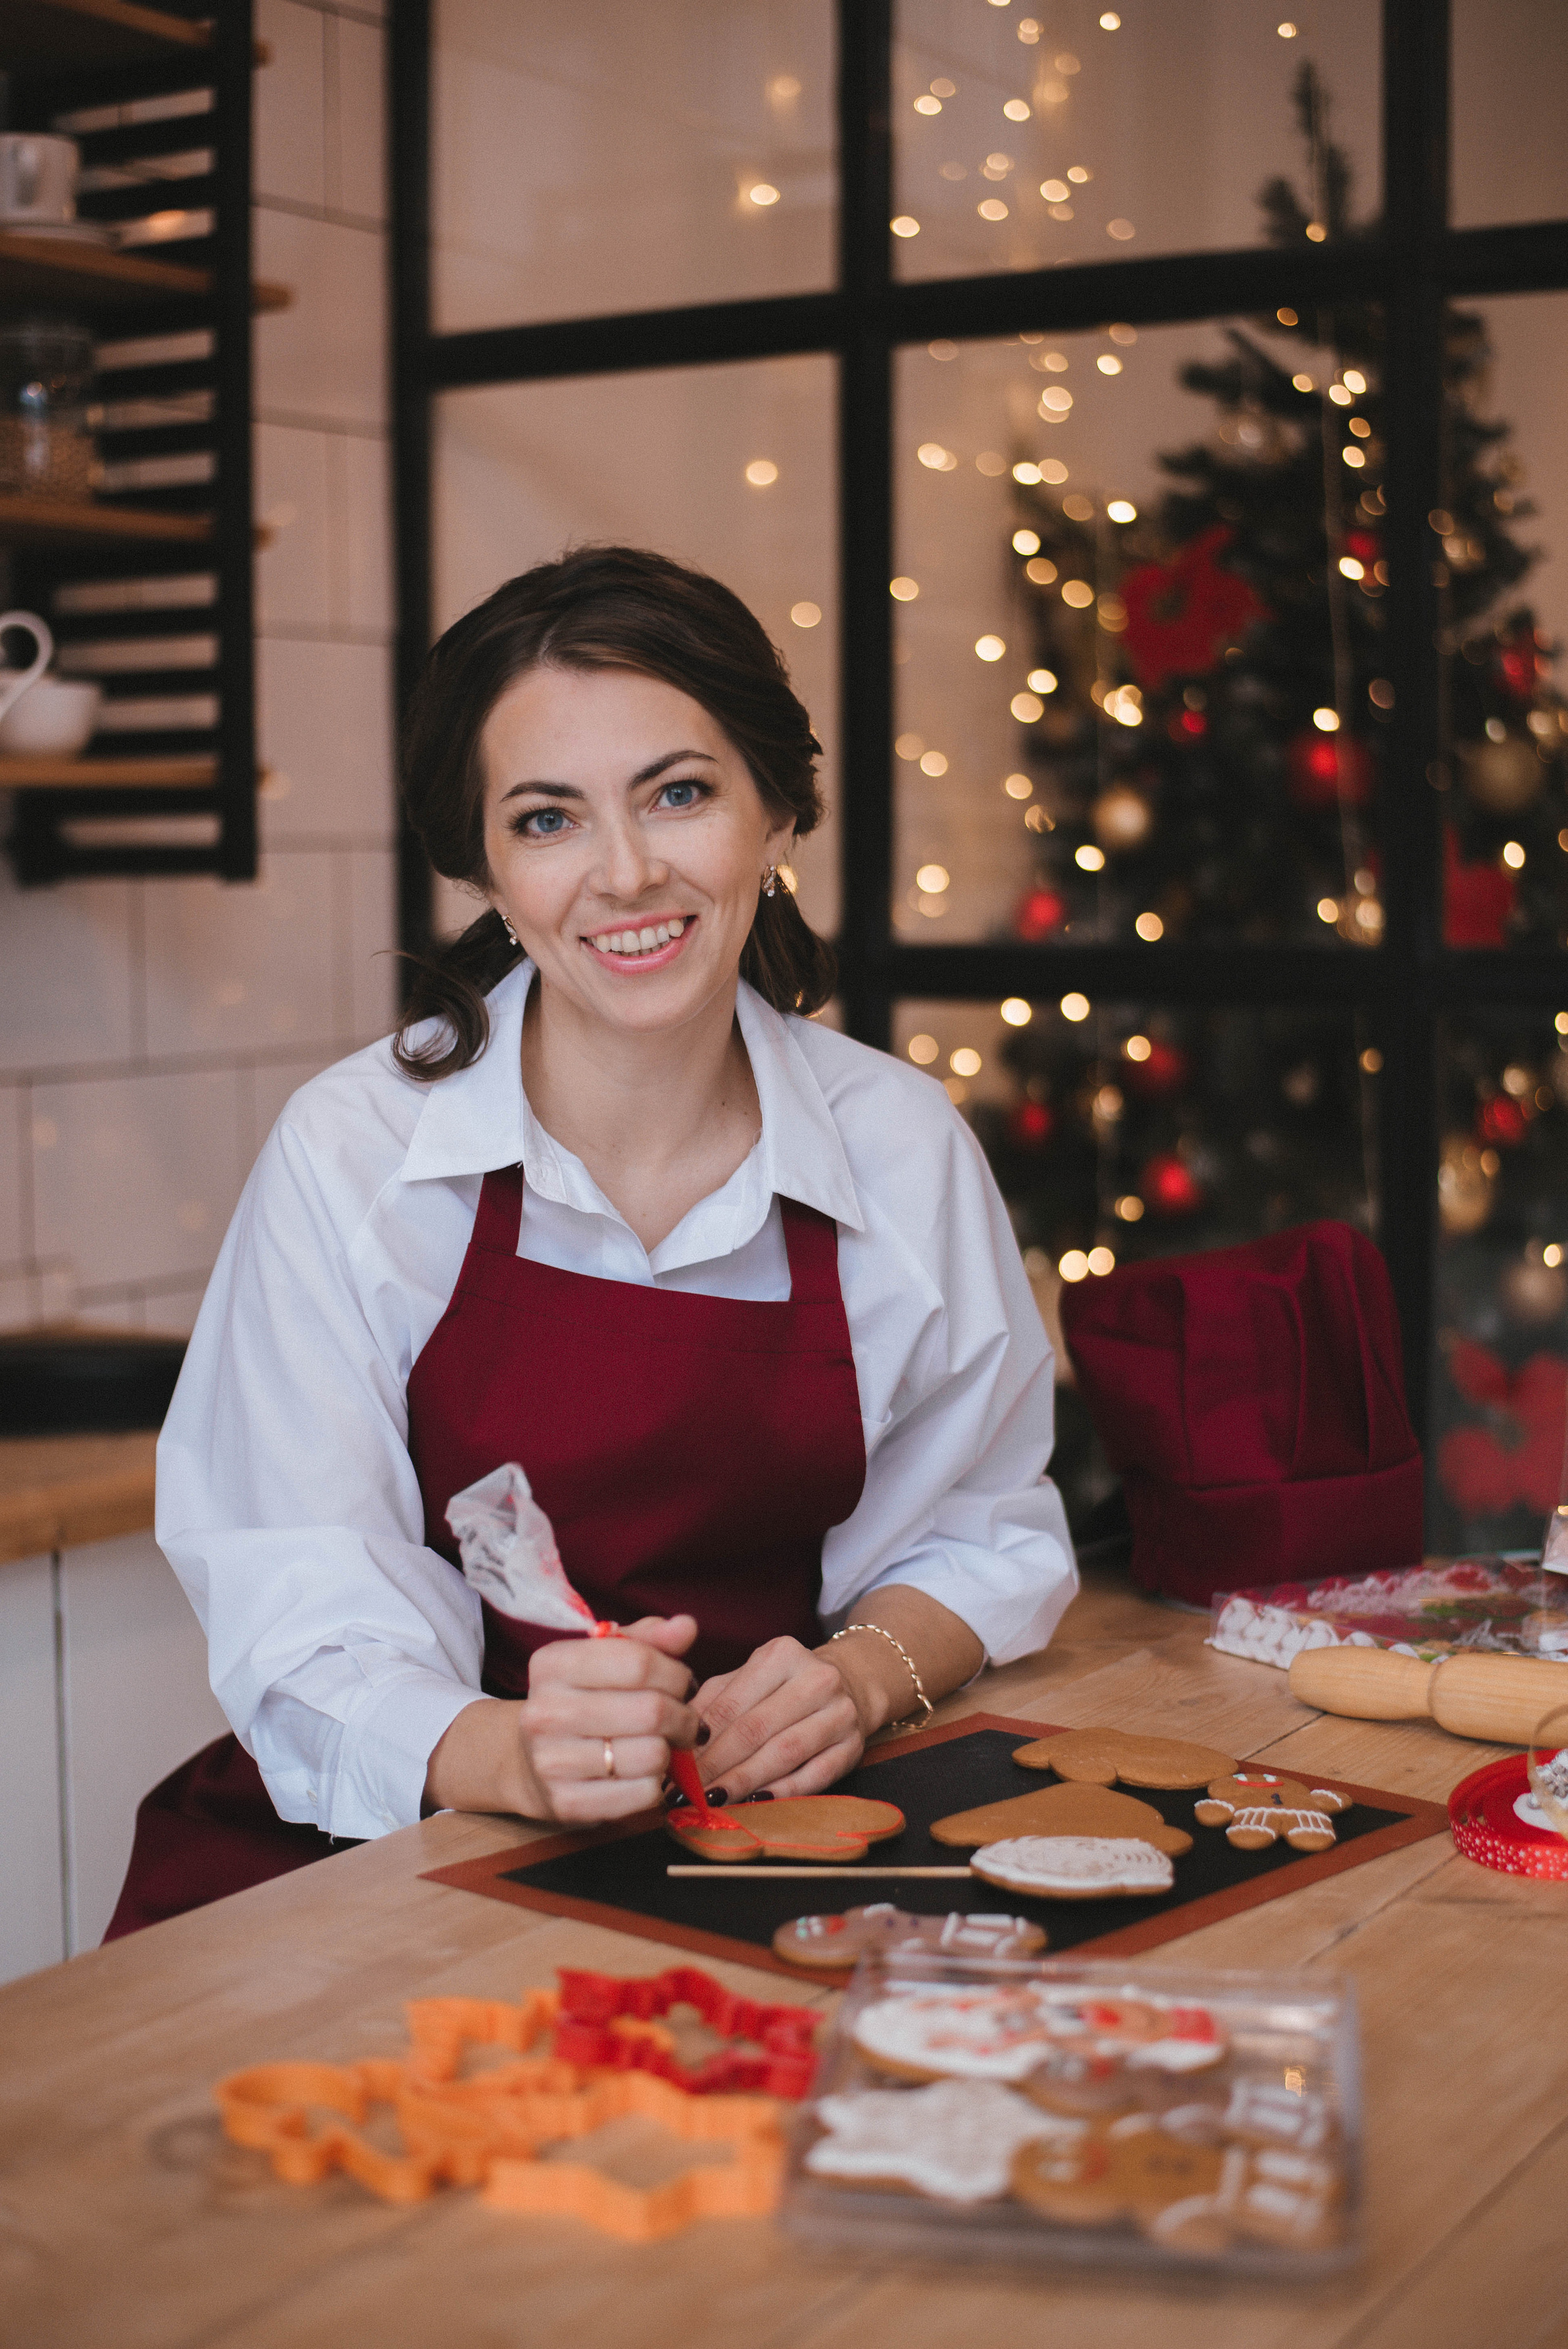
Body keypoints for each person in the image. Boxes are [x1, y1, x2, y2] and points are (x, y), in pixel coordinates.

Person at [108, 545, 1076, 1937]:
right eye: (548, 819)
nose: (624, 874)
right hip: (378, 1853)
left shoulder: (901, 1149)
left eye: (679, 794)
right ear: (487, 867)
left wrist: (861, 1678)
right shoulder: (356, 1154)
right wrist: (510, 1753)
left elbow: (980, 1530)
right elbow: (300, 1611)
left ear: (776, 814)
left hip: (768, 1839)